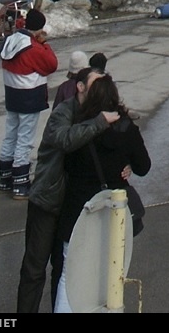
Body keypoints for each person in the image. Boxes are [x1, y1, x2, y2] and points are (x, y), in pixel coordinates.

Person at [16, 66, 120, 313]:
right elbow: (64, 139)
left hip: (73, 206)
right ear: (80, 87)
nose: (99, 87)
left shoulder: (96, 115)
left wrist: (124, 165)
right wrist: (98, 123)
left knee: (64, 270)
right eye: (94, 82)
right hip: (47, 200)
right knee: (34, 268)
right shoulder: (64, 111)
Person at [53, 74, 151, 313]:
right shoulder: (126, 127)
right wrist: (126, 164)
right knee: (109, 273)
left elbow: (65, 164)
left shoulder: (79, 126)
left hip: (77, 211)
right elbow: (144, 166)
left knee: (70, 275)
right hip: (113, 213)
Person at [0, 7, 58, 198]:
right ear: (39, 28)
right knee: (24, 140)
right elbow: (51, 65)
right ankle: (20, 182)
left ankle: (5, 179)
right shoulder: (34, 47)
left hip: (12, 95)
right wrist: (45, 44)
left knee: (10, 136)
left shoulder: (10, 41)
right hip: (29, 96)